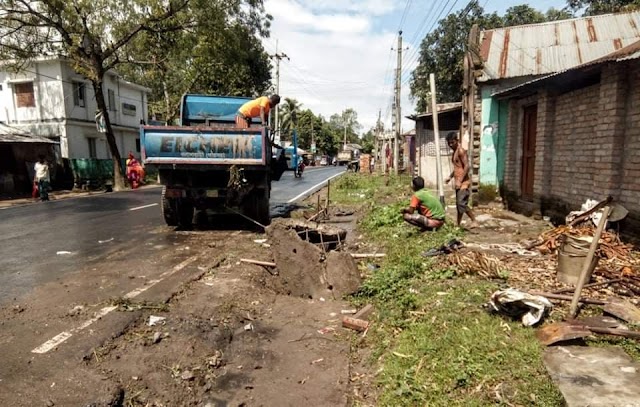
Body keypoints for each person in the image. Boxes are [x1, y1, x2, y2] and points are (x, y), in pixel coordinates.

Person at [444, 132, 478, 228]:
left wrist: (460, 180)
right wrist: (450, 177)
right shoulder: (454, 152)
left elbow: (467, 166)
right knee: (459, 205)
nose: (450, 145)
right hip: (458, 182)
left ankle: (474, 220)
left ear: (457, 140)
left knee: (461, 203)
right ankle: (458, 225)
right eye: (449, 143)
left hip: (464, 183)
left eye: (452, 142)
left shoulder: (461, 151)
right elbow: (457, 167)